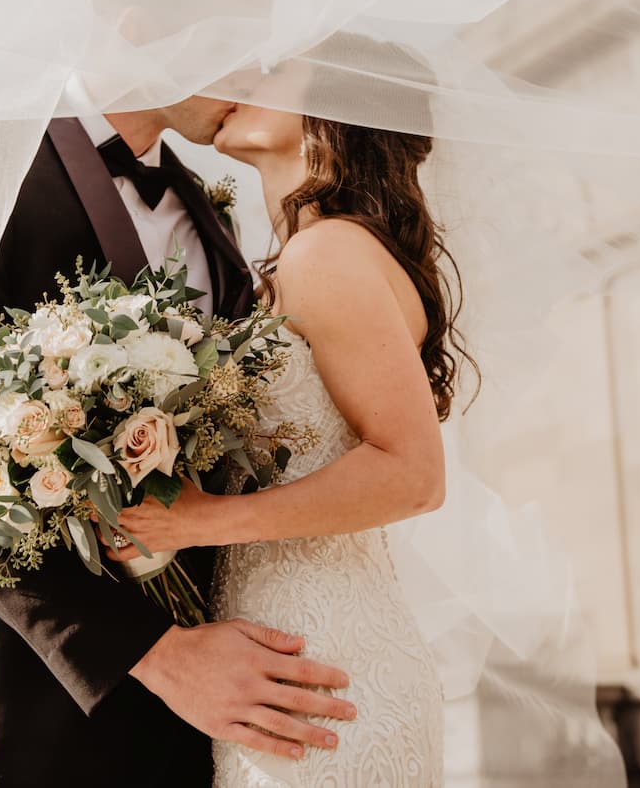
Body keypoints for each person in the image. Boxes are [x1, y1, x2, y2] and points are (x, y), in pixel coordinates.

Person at [0, 0, 357, 787]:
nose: (253, 70)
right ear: (140, 29)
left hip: (240, 702)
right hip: (67, 707)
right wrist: (158, 656)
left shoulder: (215, 220)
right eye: (233, 40)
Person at [114, 95, 478, 785]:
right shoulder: (300, 260)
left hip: (327, 665)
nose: (241, 82)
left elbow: (414, 475)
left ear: (334, 109)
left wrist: (200, 521)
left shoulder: (328, 252)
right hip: (285, 656)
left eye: (273, 71)